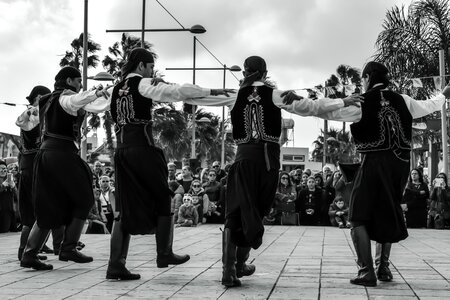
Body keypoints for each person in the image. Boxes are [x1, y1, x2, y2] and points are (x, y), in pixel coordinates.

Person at [282, 61, 450, 286]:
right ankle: (383, 268)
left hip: (374, 163)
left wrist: (293, 103)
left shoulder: (362, 102)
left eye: (362, 78)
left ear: (369, 77)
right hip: (400, 166)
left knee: (357, 216)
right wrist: (444, 94)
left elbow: (327, 110)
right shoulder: (404, 100)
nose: (361, 82)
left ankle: (366, 271)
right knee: (387, 210)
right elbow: (430, 105)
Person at [219, 55, 359, 287]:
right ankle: (239, 264)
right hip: (266, 164)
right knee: (256, 210)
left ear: (244, 73)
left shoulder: (233, 95)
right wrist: (343, 101)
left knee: (235, 212)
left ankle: (229, 270)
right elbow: (311, 107)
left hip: (241, 161)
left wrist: (148, 87)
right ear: (265, 73)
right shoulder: (276, 95)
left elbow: (191, 93)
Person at [105, 47, 234, 280]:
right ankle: (164, 253)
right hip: (143, 150)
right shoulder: (143, 85)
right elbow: (176, 91)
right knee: (164, 197)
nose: (152, 71)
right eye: (151, 66)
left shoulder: (114, 89)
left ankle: (115, 264)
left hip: (122, 151)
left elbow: (92, 102)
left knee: (123, 207)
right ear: (142, 65)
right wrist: (211, 91)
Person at [20, 66, 109, 271]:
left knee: (49, 204)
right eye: (78, 81)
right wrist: (95, 93)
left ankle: (29, 254)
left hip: (44, 155)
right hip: (62, 153)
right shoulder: (67, 97)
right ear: (69, 81)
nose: (80, 85)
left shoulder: (45, 100)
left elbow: (23, 122)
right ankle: (68, 247)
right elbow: (74, 101)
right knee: (86, 197)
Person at [15, 85, 64, 261]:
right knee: (35, 211)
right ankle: (27, 251)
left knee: (34, 212)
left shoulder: (34, 113)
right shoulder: (33, 113)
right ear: (39, 97)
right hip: (32, 165)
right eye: (46, 97)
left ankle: (28, 250)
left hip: (30, 164)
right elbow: (24, 125)